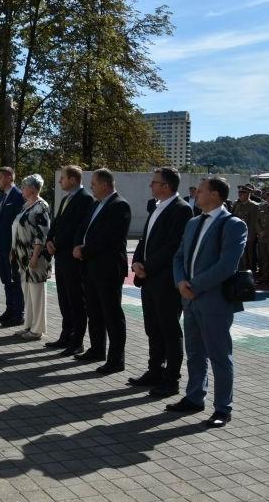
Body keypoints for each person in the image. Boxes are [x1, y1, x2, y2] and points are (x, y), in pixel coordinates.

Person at [168, 177, 247, 428]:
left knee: (219, 356)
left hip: (214, 303)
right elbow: (179, 256)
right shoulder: (193, 222)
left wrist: (194, 286)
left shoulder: (233, 225)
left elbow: (226, 265)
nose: (196, 194)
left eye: (200, 191)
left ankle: (223, 408)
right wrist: (181, 283)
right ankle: (194, 397)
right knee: (195, 353)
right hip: (189, 300)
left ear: (214, 195)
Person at [129, 167, 193, 397]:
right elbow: (144, 239)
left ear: (166, 186)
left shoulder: (181, 210)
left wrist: (148, 266)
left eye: (154, 182)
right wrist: (137, 261)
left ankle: (171, 379)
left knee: (169, 330)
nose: (151, 186)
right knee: (152, 328)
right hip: (149, 280)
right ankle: (154, 370)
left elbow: (172, 245)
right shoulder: (157, 206)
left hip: (165, 280)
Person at [73, 168, 131, 374]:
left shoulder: (119, 205)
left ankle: (117, 359)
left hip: (107, 268)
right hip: (90, 266)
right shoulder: (97, 204)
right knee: (94, 311)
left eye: (94, 184)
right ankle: (97, 349)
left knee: (111, 313)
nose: (91, 187)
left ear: (105, 185)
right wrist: (77, 245)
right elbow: (84, 228)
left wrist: (84, 250)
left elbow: (110, 238)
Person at [46, 165, 94, 356]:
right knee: (64, 298)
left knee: (75, 300)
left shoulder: (86, 199)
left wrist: (58, 242)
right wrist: (49, 239)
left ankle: (77, 341)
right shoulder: (66, 198)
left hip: (72, 258)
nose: (60, 181)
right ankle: (65, 335)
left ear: (73, 180)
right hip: (60, 255)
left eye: (63, 178)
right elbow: (56, 223)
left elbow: (78, 228)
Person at [11, 174, 52, 339]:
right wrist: (13, 251)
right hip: (23, 257)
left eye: (24, 187)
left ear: (33, 189)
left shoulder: (41, 206)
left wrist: (35, 256)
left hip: (35, 257)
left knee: (36, 293)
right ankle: (28, 325)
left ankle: (37, 329)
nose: (22, 190)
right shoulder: (26, 205)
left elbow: (41, 234)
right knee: (27, 293)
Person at [0, 167, 26, 327]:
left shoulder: (18, 196)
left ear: (10, 177)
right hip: (0, 245)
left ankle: (18, 314)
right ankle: (9, 310)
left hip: (11, 247)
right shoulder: (1, 196)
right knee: (6, 279)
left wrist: (14, 248)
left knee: (15, 280)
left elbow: (19, 224)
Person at [231, 184, 260, 272]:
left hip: (248, 234)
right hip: (237, 234)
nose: (240, 194)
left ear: (248, 194)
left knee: (249, 255)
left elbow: (254, 222)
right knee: (240, 254)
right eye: (239, 192)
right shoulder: (236, 204)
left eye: (243, 193)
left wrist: (251, 236)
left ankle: (251, 271)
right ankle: (241, 270)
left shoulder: (254, 206)